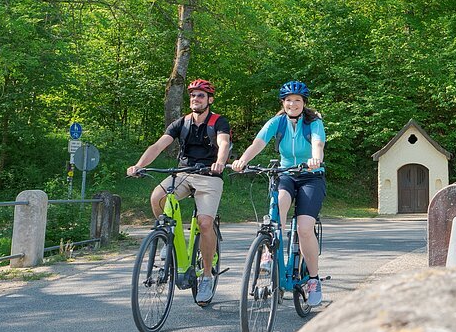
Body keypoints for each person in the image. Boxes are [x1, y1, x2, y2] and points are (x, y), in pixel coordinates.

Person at [127, 79, 231, 305]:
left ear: (210, 100)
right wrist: (139, 165)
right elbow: (158, 145)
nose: (196, 99)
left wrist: (220, 162)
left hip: (209, 176)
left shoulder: (218, 122)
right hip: (183, 173)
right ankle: (168, 239)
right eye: (193, 95)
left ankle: (206, 276)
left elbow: (223, 143)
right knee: (158, 197)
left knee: (204, 223)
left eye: (201, 95)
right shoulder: (181, 123)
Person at [231, 80, 327, 305]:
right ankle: (268, 253)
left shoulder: (314, 122)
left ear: (304, 103)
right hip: (286, 173)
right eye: (288, 100)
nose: (292, 104)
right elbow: (258, 142)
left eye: (297, 100)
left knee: (304, 229)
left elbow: (317, 144)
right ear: (282, 103)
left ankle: (313, 279)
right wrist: (242, 160)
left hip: (311, 177)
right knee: (278, 209)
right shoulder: (277, 122)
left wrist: (316, 159)